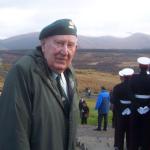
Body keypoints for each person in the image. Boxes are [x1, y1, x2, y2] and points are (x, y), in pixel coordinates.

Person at [0, 19, 79, 150]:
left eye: (70, 45)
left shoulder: (70, 74)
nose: (65, 52)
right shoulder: (22, 73)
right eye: (59, 43)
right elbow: (14, 136)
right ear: (43, 45)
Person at [129, 57, 150, 150]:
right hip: (148, 107)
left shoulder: (134, 77)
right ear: (148, 67)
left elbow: (130, 93)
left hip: (135, 107)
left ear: (139, 66)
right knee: (146, 130)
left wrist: (137, 106)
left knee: (135, 130)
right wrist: (148, 107)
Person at [111, 68, 134, 150]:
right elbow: (135, 100)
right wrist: (130, 108)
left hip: (120, 112)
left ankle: (119, 146)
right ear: (131, 76)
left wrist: (121, 108)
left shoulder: (117, 87)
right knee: (130, 132)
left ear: (123, 76)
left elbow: (113, 100)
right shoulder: (134, 87)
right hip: (131, 113)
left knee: (120, 131)